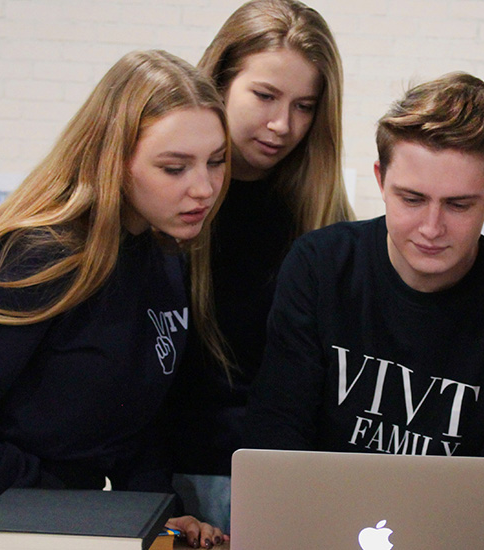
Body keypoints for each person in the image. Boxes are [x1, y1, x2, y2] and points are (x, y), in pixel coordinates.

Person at [0, 50, 229, 550]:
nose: (204, 188)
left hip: (51, 519)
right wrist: (60, 502)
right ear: (113, 161)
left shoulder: (162, 253)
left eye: (216, 161)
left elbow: (134, 421)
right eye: (174, 168)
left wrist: (163, 513)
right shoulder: (41, 253)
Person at [245, 72, 484, 538]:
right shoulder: (320, 267)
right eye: (412, 199)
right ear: (381, 180)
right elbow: (276, 437)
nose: (431, 228)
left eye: (458, 205)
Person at [167, 0, 352, 532]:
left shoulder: (325, 220)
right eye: (265, 96)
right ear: (220, 82)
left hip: (294, 486)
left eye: (304, 106)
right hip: (177, 481)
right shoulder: (168, 210)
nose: (281, 125)